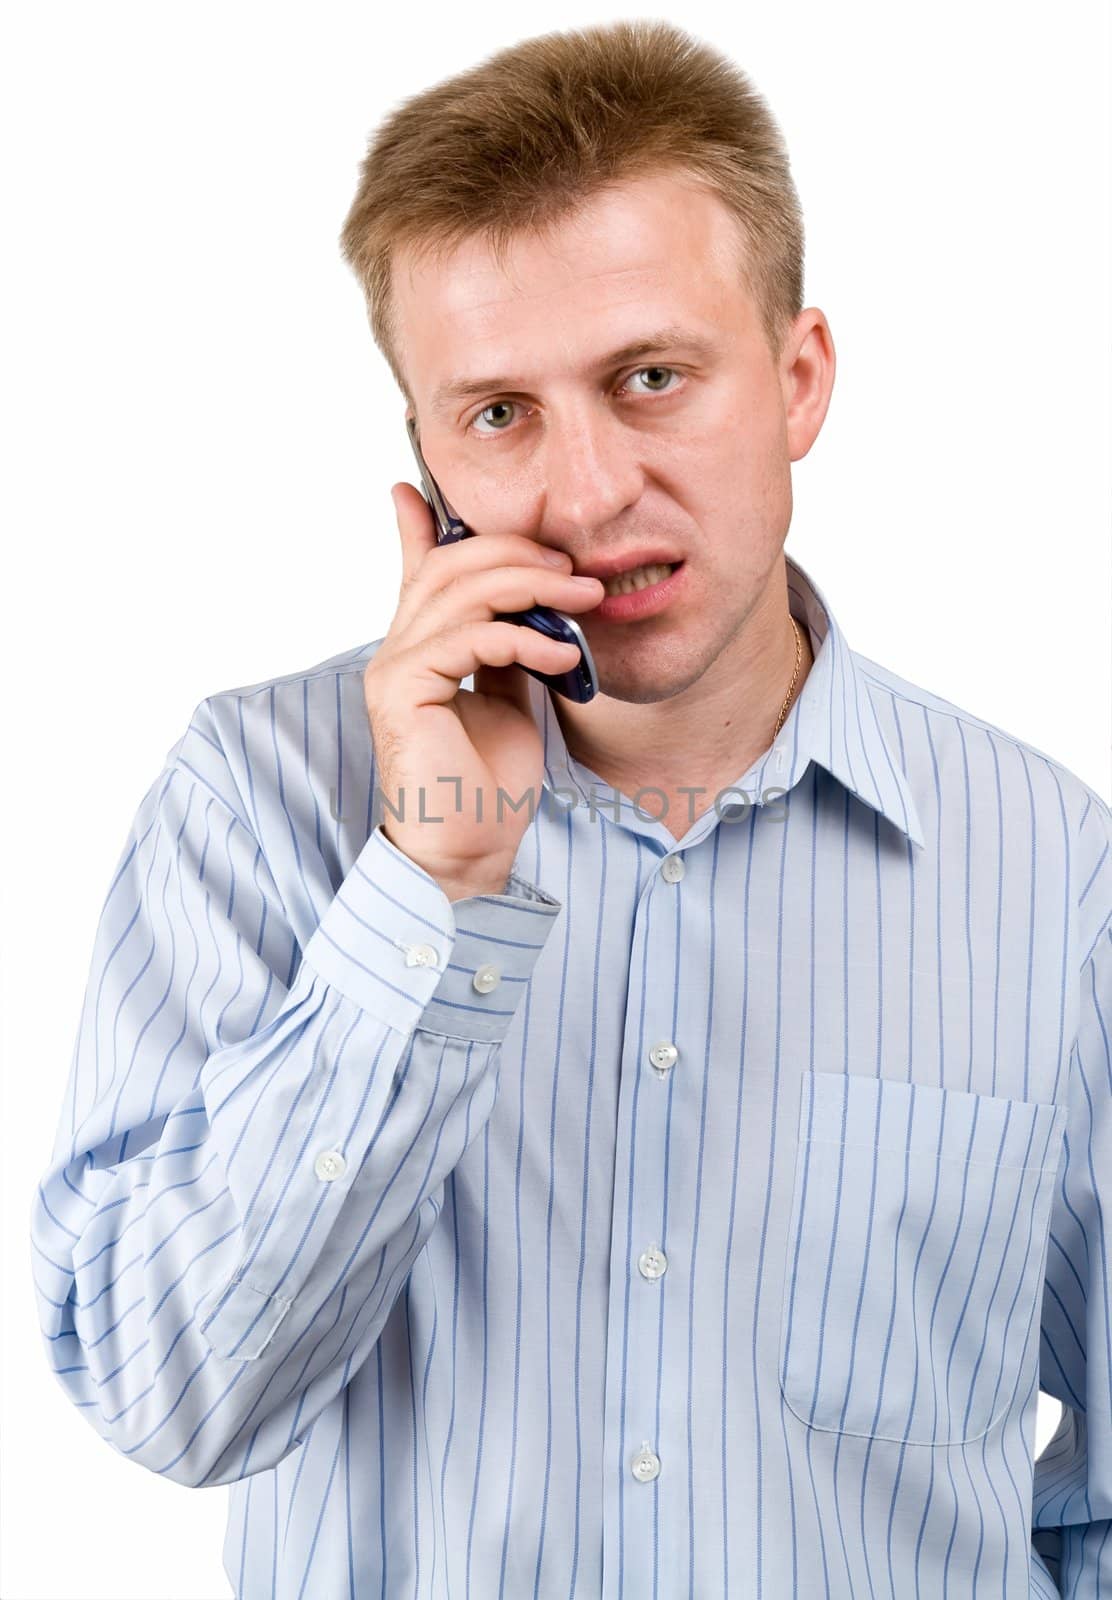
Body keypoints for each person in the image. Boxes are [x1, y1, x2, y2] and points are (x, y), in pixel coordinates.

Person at [30, 18, 1110, 1598]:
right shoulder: (254, 801)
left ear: (798, 379)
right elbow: (172, 1402)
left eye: (650, 378)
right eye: (500, 413)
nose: (590, 494)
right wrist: (428, 885)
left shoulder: (1049, 865)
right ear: (426, 459)